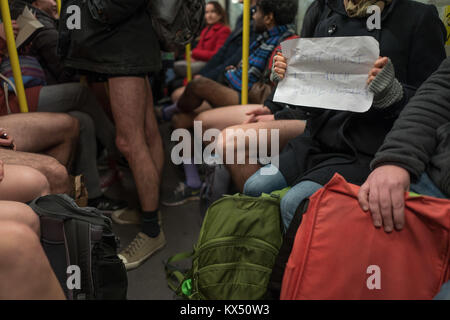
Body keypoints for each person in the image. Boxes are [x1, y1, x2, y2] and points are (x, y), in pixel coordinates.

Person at [243, 0, 447, 230]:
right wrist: (290, 83)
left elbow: (431, 102)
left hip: (370, 147)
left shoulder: (418, 18)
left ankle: (300, 264)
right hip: (317, 141)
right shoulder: (327, 14)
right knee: (254, 186)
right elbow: (314, 98)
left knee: (296, 203)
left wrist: (393, 94)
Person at [59, 0, 165, 270]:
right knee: (147, 132)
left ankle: (152, 231)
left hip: (122, 48)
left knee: (129, 141)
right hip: (128, 43)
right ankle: (148, 209)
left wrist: (96, 11)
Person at [161, 0, 298, 206]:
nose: (252, 15)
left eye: (256, 11)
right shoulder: (263, 37)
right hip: (242, 88)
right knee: (181, 119)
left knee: (200, 85)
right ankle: (193, 182)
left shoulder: (284, 41)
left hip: (252, 95)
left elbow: (248, 78)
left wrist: (229, 73)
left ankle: (165, 112)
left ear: (269, 17)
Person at [358, 57, 450, 233]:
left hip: (367, 144)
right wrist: (397, 159)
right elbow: (439, 94)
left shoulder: (419, 30)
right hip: (430, 174)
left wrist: (392, 94)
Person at [173, 1, 231, 78]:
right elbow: (197, 49)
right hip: (200, 61)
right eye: (206, 12)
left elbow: (217, 55)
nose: (209, 15)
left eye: (213, 12)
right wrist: (191, 56)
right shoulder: (205, 30)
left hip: (211, 65)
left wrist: (193, 53)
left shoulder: (224, 30)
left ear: (220, 14)